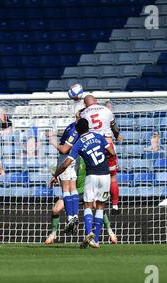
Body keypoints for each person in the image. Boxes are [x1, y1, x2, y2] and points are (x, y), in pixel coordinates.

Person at [49, 118, 115, 249]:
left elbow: (66, 164)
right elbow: (112, 152)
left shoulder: (78, 143)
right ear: (89, 127)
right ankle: (95, 239)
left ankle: (89, 232)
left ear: (78, 130)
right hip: (105, 175)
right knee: (100, 206)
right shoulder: (98, 136)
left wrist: (55, 175)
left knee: (88, 205)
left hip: (92, 175)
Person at [79, 95, 122, 216]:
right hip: (107, 143)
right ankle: (115, 206)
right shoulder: (106, 110)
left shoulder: (84, 114)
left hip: (92, 144)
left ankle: (92, 202)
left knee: (92, 173)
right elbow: (115, 128)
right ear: (96, 101)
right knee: (112, 177)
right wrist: (117, 135)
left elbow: (81, 129)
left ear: (85, 104)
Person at [45, 112, 81, 237]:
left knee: (66, 189)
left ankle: (71, 217)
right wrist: (55, 134)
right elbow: (66, 133)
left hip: (66, 158)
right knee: (72, 187)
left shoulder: (76, 130)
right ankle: (75, 216)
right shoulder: (74, 126)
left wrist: (53, 141)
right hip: (74, 158)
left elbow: (64, 149)